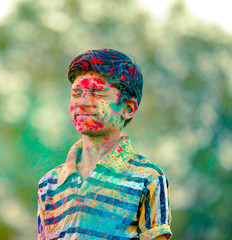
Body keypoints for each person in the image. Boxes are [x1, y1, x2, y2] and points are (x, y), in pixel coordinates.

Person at [37, 49, 172, 240]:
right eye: (76, 93)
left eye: (97, 93)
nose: (82, 102)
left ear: (128, 108)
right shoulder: (49, 183)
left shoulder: (147, 178)